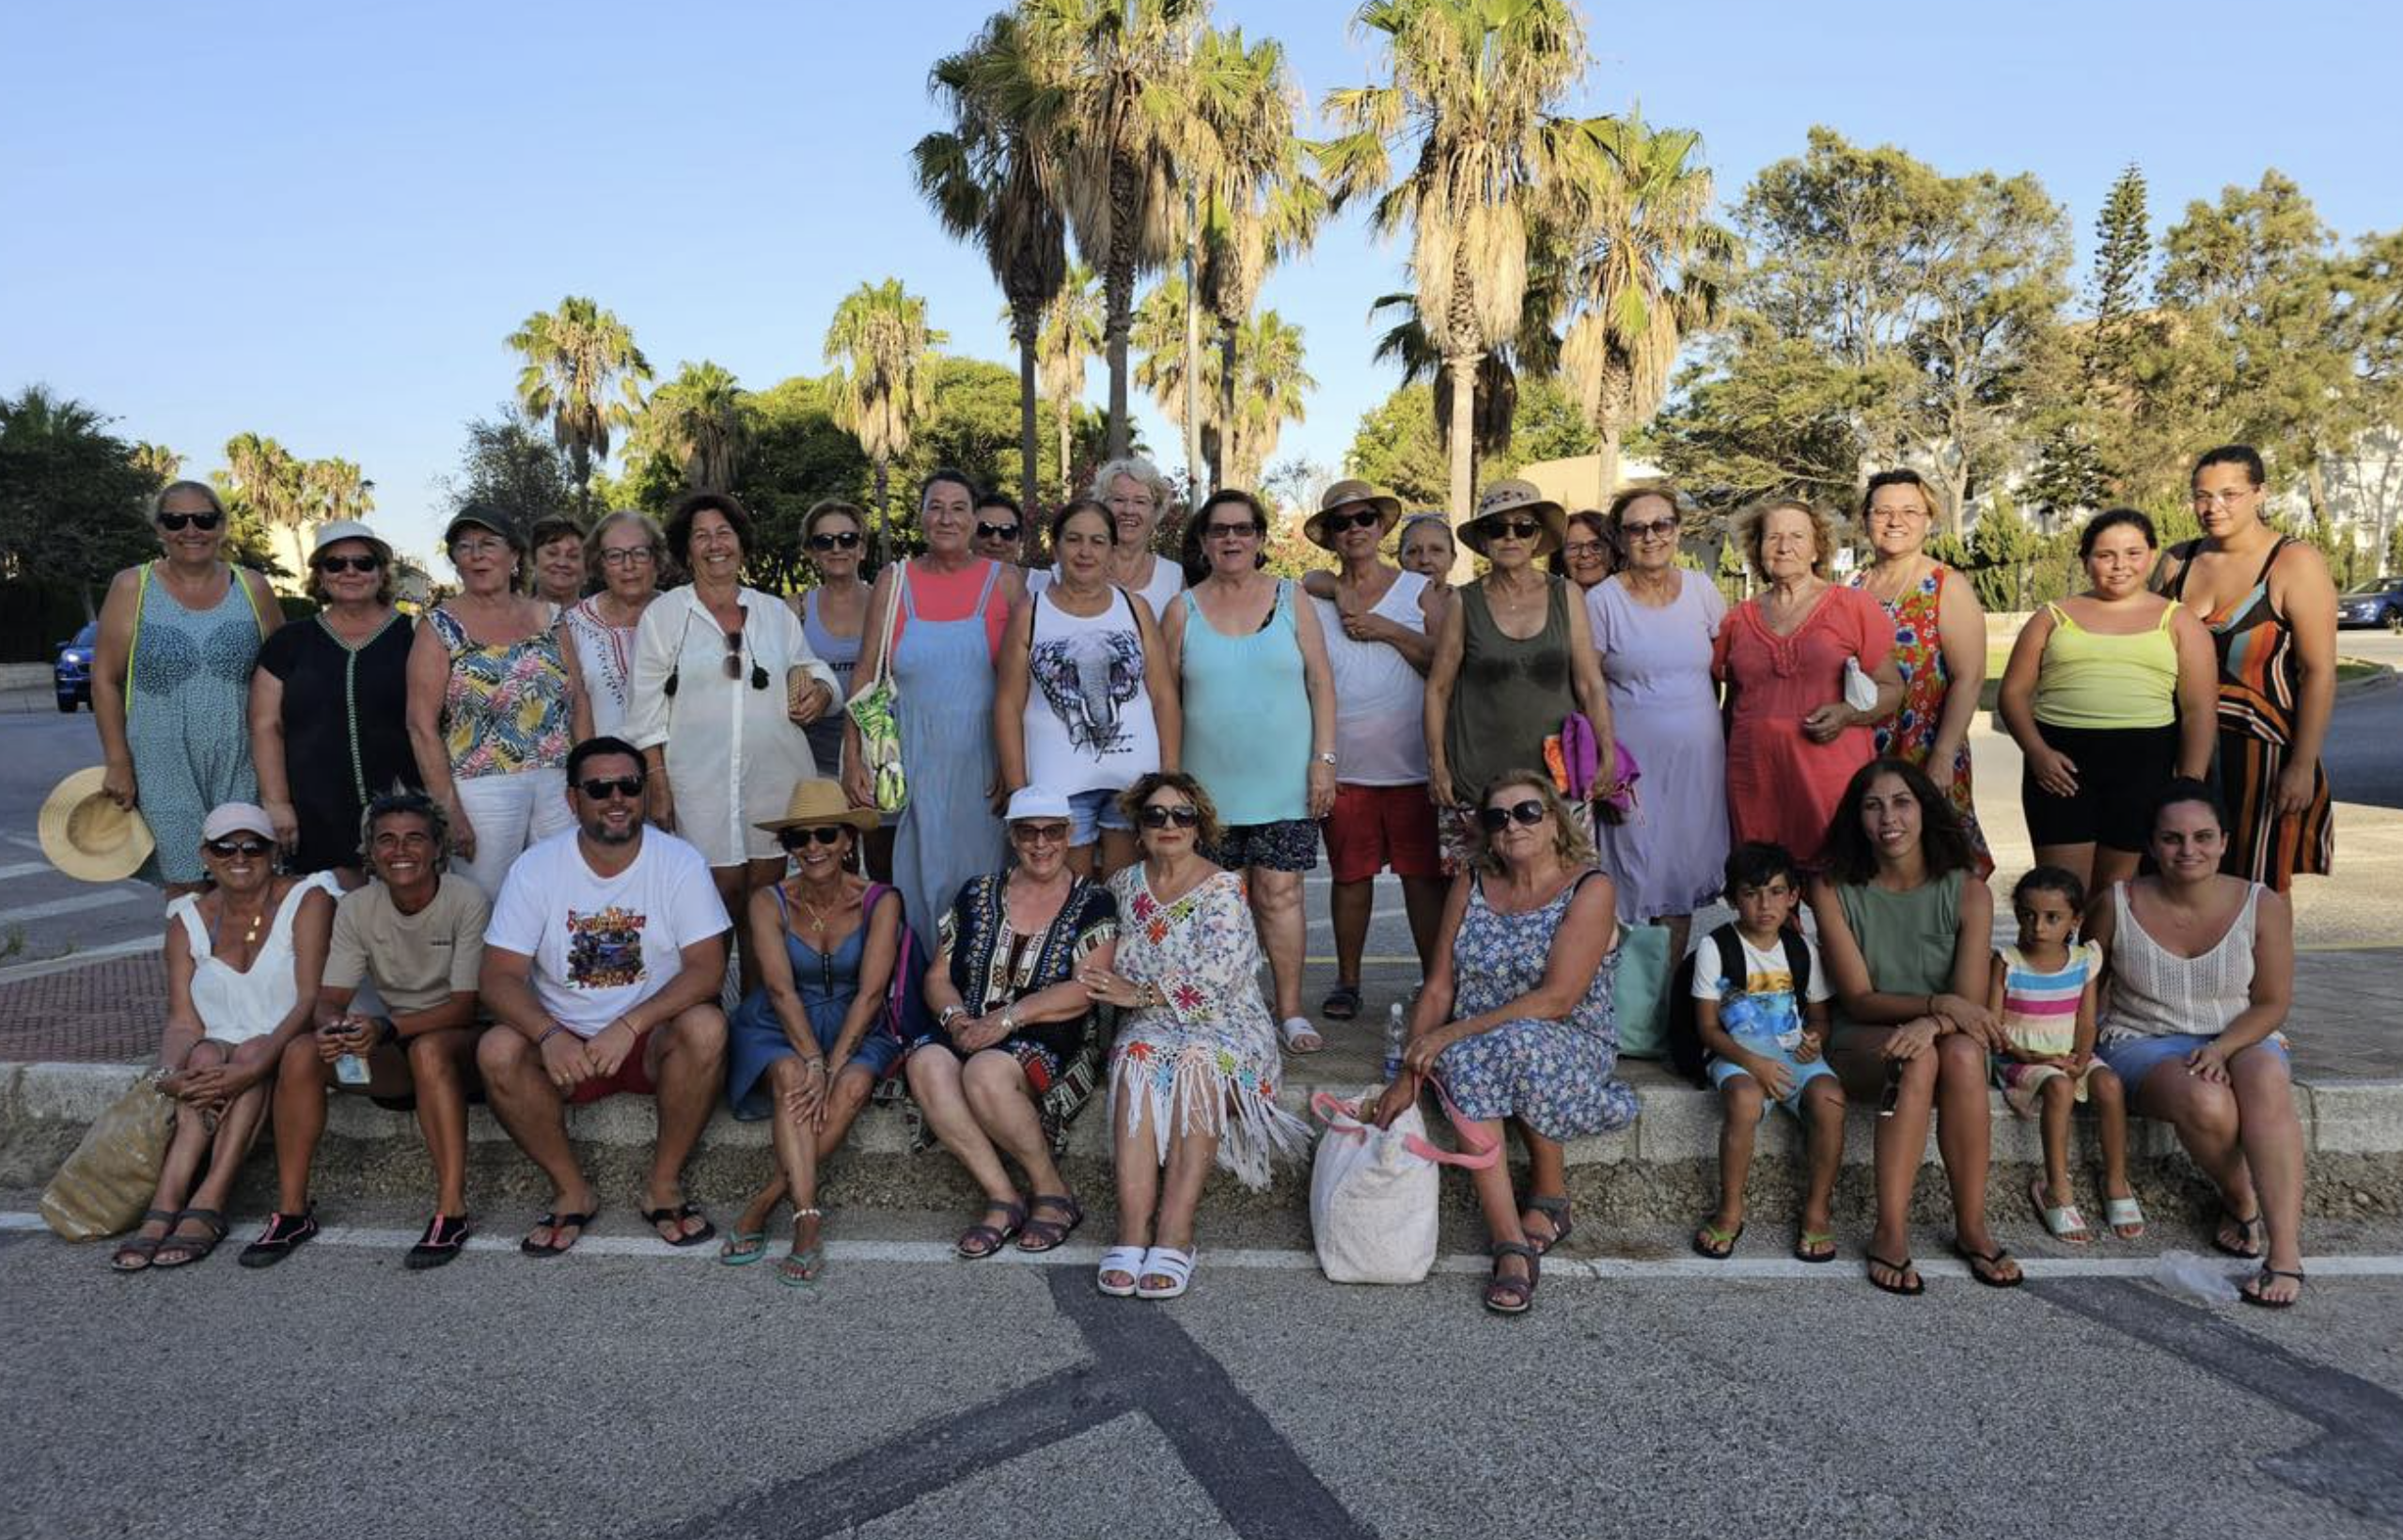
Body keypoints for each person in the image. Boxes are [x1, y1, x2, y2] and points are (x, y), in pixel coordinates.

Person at [1373, 772, 1638, 1315]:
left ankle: (1550, 1196)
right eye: (1497, 818)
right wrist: (1407, 1073)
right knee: (1482, 1056)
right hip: (1478, 1047)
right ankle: (1510, 1243)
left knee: (1511, 1044)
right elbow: (1440, 984)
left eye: (1527, 813)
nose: (1512, 825)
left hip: (1568, 1040)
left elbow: (1558, 999)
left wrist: (1452, 1034)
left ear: (1555, 821)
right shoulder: (1471, 881)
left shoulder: (1590, 887)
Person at [475, 737, 731, 1255]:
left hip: (650, 1042)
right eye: (599, 788)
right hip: (565, 1046)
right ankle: (572, 1191)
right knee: (497, 1049)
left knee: (707, 1027)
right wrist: (548, 1034)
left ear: (643, 792)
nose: (616, 798)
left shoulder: (679, 862)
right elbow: (497, 977)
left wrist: (631, 1025)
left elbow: (707, 970)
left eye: (629, 785)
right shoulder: (536, 868)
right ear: (572, 801)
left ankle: (663, 1185)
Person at [1081, 773, 1309, 1299]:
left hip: (1226, 1022)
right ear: (1139, 827)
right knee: (1137, 1060)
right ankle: (1132, 1231)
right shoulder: (1124, 886)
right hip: (1152, 1025)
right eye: (1156, 815)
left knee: (1197, 1065)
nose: (1169, 825)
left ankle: (1175, 1233)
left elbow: (1217, 979)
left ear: (1199, 826)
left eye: (1182, 815)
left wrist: (1136, 995)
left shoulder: (1224, 886)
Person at [2083, 778, 2306, 1306]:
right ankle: (2241, 1199)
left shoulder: (2262, 903)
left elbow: (2272, 1002)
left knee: (2267, 1078)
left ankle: (2286, 1255)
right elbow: (2085, 989)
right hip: (2142, 1038)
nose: (2189, 851)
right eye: (2172, 839)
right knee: (2207, 1099)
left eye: (2204, 837)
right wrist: (2075, 1057)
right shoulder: (2115, 903)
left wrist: (2224, 1048)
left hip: (2241, 1031)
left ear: (2225, 841)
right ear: (2151, 844)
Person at [245, 792, 489, 1269]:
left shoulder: (466, 899)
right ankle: (293, 1211)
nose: (401, 851)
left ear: (438, 848)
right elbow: (328, 1000)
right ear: (370, 852)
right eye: (387, 841)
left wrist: (384, 1026)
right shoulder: (357, 907)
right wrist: (338, 1028)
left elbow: (464, 1007)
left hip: (462, 1046)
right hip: (393, 1044)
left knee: (430, 1052)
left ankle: (451, 1210)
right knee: (301, 1052)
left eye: (415, 839)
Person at [1809, 758, 2018, 1295]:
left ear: (1925, 810)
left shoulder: (1968, 891)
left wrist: (1933, 1020)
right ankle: (1890, 1229)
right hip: (1863, 1039)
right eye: (1873, 806)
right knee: (1917, 1056)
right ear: (1857, 819)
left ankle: (1972, 1225)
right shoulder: (1834, 890)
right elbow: (1858, 997)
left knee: (1966, 1055)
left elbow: (1971, 1004)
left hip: (1943, 1037)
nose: (1888, 819)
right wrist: (1935, 1011)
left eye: (1902, 803)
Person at [110, 806, 338, 1271]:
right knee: (207, 1054)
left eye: (254, 846)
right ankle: (171, 1198)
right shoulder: (186, 919)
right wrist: (168, 1077)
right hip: (212, 1054)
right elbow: (182, 1022)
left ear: (273, 853)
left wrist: (254, 1067)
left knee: (248, 1053)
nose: (240, 856)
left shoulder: (307, 899)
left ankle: (212, 1195)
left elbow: (309, 998)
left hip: (282, 1044)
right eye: (224, 847)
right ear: (205, 856)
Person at [628, 492, 837, 995]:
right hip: (698, 786)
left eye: (724, 533)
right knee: (710, 907)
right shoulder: (664, 617)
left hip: (774, 782)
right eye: (701, 535)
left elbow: (814, 669)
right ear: (686, 549)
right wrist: (657, 782)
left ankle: (759, 1028)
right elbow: (645, 709)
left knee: (765, 906)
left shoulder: (772, 612)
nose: (715, 544)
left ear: (741, 543)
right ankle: (705, 1025)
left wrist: (823, 694)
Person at [904, 788, 1117, 1260]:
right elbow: (938, 976)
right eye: (1028, 832)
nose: (1041, 844)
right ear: (1012, 836)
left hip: (1051, 1034)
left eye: (1053, 831)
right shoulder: (977, 892)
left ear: (1070, 833)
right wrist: (957, 1019)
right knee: (926, 1063)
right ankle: (1003, 1197)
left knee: (984, 1072)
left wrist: (1007, 1019)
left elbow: (1087, 988)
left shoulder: (1093, 900)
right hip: (973, 1024)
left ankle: (1053, 1191)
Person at [1161, 489, 1338, 1053]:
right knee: (1221, 904)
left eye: (1242, 529)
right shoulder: (1180, 609)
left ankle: (1289, 1011)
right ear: (1204, 543)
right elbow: (1164, 697)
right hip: (1205, 790)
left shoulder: (1292, 599)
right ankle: (1233, 1002)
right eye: (1219, 530)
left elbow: (1321, 684)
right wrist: (1168, 781)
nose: (1231, 539)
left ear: (1260, 539)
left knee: (1280, 894)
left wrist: (1324, 760)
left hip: (1285, 780)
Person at [719, 781, 906, 1284]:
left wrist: (835, 1063)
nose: (813, 848)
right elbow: (779, 991)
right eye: (799, 839)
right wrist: (812, 1062)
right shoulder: (768, 900)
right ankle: (807, 1220)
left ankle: (763, 1202)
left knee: (852, 1086)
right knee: (790, 1077)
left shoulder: (881, 900)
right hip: (783, 1021)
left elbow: (871, 994)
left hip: (857, 1021)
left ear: (849, 840)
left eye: (826, 834)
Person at [845, 470, 1028, 949]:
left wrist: (1016, 768)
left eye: (959, 508)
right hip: (914, 763)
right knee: (919, 882)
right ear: (922, 516)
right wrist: (853, 761)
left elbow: (1026, 682)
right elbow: (864, 675)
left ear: (973, 519)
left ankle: (985, 1002)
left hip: (985, 765)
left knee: (988, 882)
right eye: (936, 506)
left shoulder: (1005, 583)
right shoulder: (894, 581)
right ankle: (924, 1003)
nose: (947, 517)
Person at [1999, 509, 2218, 895]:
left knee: (2118, 899)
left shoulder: (2178, 620)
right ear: (2085, 561)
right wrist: (2037, 752)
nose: (2120, 566)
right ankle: (2066, 958)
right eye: (2105, 555)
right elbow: (2013, 694)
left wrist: (2189, 786)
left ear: (2151, 556)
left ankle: (2109, 959)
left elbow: (2199, 711)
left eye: (2133, 553)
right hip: (2060, 769)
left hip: (2143, 768)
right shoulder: (2053, 616)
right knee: (2062, 894)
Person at [2158, 445, 2339, 891]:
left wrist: (2301, 764)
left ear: (2260, 493)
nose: (2213, 507)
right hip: (2176, 750)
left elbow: (2318, 672)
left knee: (2258, 890)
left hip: (2263, 757)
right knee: (2173, 887)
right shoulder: (2176, 562)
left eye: (2229, 493)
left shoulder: (2294, 563)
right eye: (2202, 495)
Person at [90, 480, 281, 894]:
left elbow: (283, 674)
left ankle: (238, 961)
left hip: (243, 762)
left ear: (221, 526)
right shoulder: (131, 587)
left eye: (204, 518)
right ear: (159, 528)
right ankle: (189, 961)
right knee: (186, 889)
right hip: (163, 763)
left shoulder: (253, 588)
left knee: (248, 882)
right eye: (176, 520)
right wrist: (118, 761)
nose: (190, 530)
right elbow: (104, 679)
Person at [1300, 479, 1446, 1016]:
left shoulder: (1418, 590)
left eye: (1365, 519)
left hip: (1413, 765)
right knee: (1349, 877)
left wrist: (1384, 628)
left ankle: (1435, 983)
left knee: (1422, 881)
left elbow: (1442, 662)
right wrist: (1340, 593)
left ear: (1382, 527)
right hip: (1347, 766)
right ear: (1330, 537)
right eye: (1342, 523)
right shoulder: (1315, 597)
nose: (1355, 529)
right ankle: (1347, 981)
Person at [1424, 479, 1619, 868]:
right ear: (1483, 539)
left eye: (1523, 527)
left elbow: (1589, 683)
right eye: (1497, 528)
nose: (1510, 536)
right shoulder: (1465, 601)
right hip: (1476, 780)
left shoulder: (1567, 595)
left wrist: (1607, 751)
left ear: (1537, 538)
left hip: (1558, 780)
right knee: (1477, 899)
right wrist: (1438, 766)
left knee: (1564, 892)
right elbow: (1438, 688)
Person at [406, 505, 593, 899]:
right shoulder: (439, 626)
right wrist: (449, 811)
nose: (476, 554)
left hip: (558, 785)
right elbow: (420, 726)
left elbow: (578, 701)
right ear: (455, 560)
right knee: (486, 906)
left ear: (514, 556)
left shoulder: (551, 618)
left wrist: (587, 782)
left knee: (566, 899)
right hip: (481, 791)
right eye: (464, 546)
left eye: (489, 543)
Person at [996, 498, 1178, 878]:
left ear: (1112, 549)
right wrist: (1018, 788)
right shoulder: (1031, 612)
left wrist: (1169, 775)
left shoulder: (1136, 608)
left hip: (1133, 780)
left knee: (1124, 892)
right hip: (1056, 783)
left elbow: (1162, 693)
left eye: (1097, 541)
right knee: (1068, 897)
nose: (1085, 551)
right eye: (1074, 539)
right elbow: (1008, 704)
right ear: (1056, 545)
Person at [1718, 499, 1903, 872]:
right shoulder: (1737, 620)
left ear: (1817, 548)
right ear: (1758, 549)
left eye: (1797, 536)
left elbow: (1892, 688)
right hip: (1755, 785)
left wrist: (1848, 714)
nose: (1784, 546)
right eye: (1773, 537)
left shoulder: (1852, 606)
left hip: (1830, 783)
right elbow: (1731, 705)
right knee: (1766, 900)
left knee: (1835, 895)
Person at [1587, 483, 1725, 958]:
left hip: (1698, 768)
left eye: (1661, 524)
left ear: (1678, 531)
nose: (1651, 536)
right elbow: (1587, 687)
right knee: (1628, 880)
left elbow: (1726, 670)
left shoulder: (1703, 592)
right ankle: (1622, 1005)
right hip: (1631, 772)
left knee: (1677, 884)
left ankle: (1660, 1008)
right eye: (1636, 528)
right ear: (1620, 539)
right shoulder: (1603, 601)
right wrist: (1604, 761)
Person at [1689, 841, 1843, 1265]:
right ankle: (1731, 1210)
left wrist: (1814, 1041)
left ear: (1794, 896)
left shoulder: (1801, 950)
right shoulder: (1716, 947)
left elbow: (1820, 1019)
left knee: (1830, 1100)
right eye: (1752, 893)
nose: (1764, 904)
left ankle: (1816, 1210)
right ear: (1732, 898)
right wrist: (1753, 1063)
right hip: (1736, 1052)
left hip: (1793, 1055)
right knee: (1744, 1098)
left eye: (1777, 892)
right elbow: (1707, 1028)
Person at [250, 520, 417, 887]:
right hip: (317, 809)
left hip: (405, 807)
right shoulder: (289, 643)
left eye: (363, 562)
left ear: (380, 572)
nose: (350, 572)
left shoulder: (417, 635)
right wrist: (277, 804)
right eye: (336, 563)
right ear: (320, 576)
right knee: (331, 919)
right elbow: (265, 724)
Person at [1989, 865, 2141, 1247]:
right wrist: (2029, 1055)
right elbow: (1994, 1027)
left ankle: (2116, 1179)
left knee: (2107, 1082)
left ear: (2076, 920)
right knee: (2057, 1087)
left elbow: (2087, 1021)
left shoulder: (2083, 961)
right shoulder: (2008, 961)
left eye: (2052, 917)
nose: (2038, 926)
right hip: (2019, 1058)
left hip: (2068, 1052)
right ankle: (2056, 1187)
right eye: (2028, 915)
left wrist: (2080, 1059)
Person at [1850, 470, 1991, 875]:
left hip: (1928, 750)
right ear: (1866, 519)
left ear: (1929, 519)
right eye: (1883, 511)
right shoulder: (1854, 587)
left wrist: (1943, 756)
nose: (1896, 521)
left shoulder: (1946, 585)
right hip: (1867, 755)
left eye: (1910, 510)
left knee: (1939, 869)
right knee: (1874, 871)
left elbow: (1970, 677)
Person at [788, 501, 895, 874]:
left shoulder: (890, 603)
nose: (837, 549)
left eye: (847, 539)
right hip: (817, 762)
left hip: (879, 758)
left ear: (862, 547)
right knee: (833, 872)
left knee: (884, 871)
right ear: (810, 551)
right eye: (825, 541)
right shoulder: (794, 610)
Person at [562, 511, 666, 741]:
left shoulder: (681, 614)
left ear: (655, 558)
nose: (628, 565)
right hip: (608, 772)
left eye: (640, 553)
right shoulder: (574, 625)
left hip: (681, 769)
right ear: (600, 564)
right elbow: (574, 710)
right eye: (615, 556)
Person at [1048, 456, 1185, 620]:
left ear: (1155, 512)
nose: (1129, 510)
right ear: (1102, 507)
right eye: (1119, 500)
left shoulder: (1173, 576)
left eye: (1140, 501)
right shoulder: (1074, 567)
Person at [527, 511, 589, 608]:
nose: (562, 563)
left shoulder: (605, 622)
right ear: (533, 561)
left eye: (573, 556)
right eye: (552, 553)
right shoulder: (506, 619)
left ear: (587, 570)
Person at [1550, 508, 1617, 591]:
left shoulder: (1632, 601)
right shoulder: (1546, 601)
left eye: (1596, 546)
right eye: (1574, 547)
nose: (1585, 554)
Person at [1396, 511, 1459, 596]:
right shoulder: (1381, 607)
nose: (1425, 560)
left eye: (1436, 550)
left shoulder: (1470, 605)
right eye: (1414, 551)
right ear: (1400, 560)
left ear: (1452, 559)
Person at [972, 491, 1028, 566]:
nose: (996, 541)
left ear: (1020, 540)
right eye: (985, 529)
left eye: (1007, 531)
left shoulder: (1041, 577)